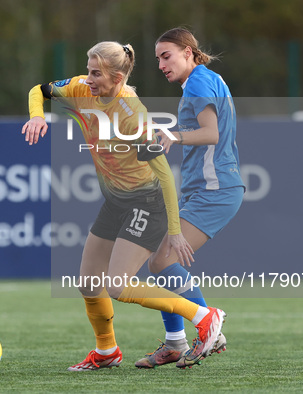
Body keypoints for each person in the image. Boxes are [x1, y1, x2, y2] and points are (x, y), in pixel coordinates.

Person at [22, 40, 226, 371]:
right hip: (116, 200)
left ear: (118, 78)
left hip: (147, 202)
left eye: (96, 74)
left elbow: (164, 176)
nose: (88, 79)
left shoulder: (133, 117)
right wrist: (37, 117)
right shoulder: (79, 87)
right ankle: (106, 352)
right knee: (89, 283)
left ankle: (204, 316)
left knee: (117, 285)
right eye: (88, 71)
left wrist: (174, 232)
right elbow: (38, 90)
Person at [133, 28, 245, 369]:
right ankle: (175, 342)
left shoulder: (197, 82)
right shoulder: (206, 79)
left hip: (216, 190)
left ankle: (208, 325)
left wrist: (174, 135)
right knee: (159, 261)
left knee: (162, 260)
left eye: (166, 56)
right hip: (209, 189)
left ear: (187, 52)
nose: (161, 64)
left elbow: (210, 133)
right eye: (157, 59)